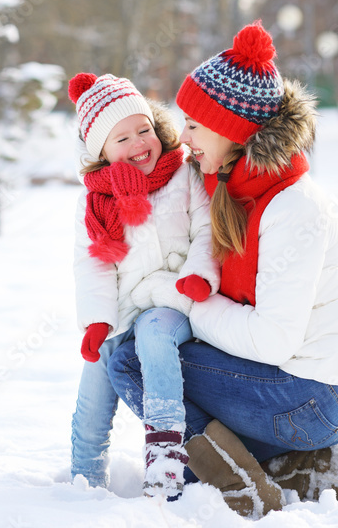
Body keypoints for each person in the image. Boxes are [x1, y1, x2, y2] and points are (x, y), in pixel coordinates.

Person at [107, 22, 338, 518]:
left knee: (131, 361)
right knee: (156, 349)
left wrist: (183, 298)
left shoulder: (291, 207)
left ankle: (243, 485)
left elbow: (273, 340)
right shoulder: (238, 184)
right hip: (302, 391)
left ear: (231, 129)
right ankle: (293, 465)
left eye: (193, 124)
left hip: (310, 397)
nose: (185, 138)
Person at [67, 72, 219, 498]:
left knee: (154, 336)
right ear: (100, 151)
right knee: (95, 379)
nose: (139, 143)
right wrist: (98, 321)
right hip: (121, 307)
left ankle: (165, 458)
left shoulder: (183, 175)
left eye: (144, 129)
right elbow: (92, 265)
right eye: (122, 139)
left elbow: (207, 231)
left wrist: (199, 275)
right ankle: (84, 478)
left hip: (175, 298)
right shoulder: (95, 201)